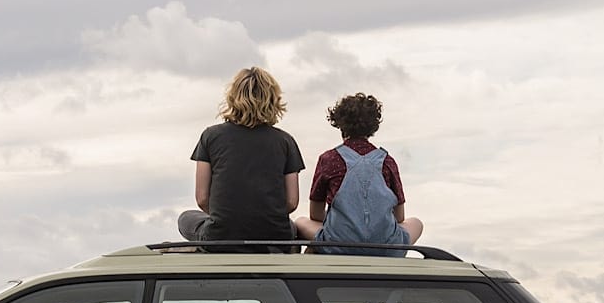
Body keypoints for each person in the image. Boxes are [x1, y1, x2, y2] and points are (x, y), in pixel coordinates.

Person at [177, 66, 305, 251]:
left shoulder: (210, 136)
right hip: (274, 236)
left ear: (233, 97)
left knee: (186, 218)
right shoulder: (285, 141)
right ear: (272, 99)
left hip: (221, 236)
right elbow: (292, 202)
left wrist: (231, 219)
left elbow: (203, 198)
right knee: (293, 226)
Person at [294, 92, 424, 254]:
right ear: (373, 126)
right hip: (386, 248)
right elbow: (399, 217)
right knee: (416, 223)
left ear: (340, 124)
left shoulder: (329, 159)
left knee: (300, 221)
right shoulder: (387, 161)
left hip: (339, 246)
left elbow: (315, 214)